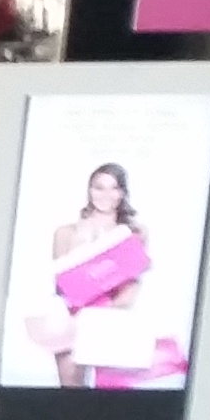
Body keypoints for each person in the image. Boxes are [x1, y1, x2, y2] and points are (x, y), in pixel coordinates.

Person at [36, 162, 155, 388]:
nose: (105, 195)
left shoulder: (135, 233)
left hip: (113, 317)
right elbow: (61, 283)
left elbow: (132, 284)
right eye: (99, 187)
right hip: (72, 317)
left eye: (113, 188)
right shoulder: (66, 232)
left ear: (122, 193)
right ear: (89, 190)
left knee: (111, 396)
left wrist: (107, 310)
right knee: (71, 391)